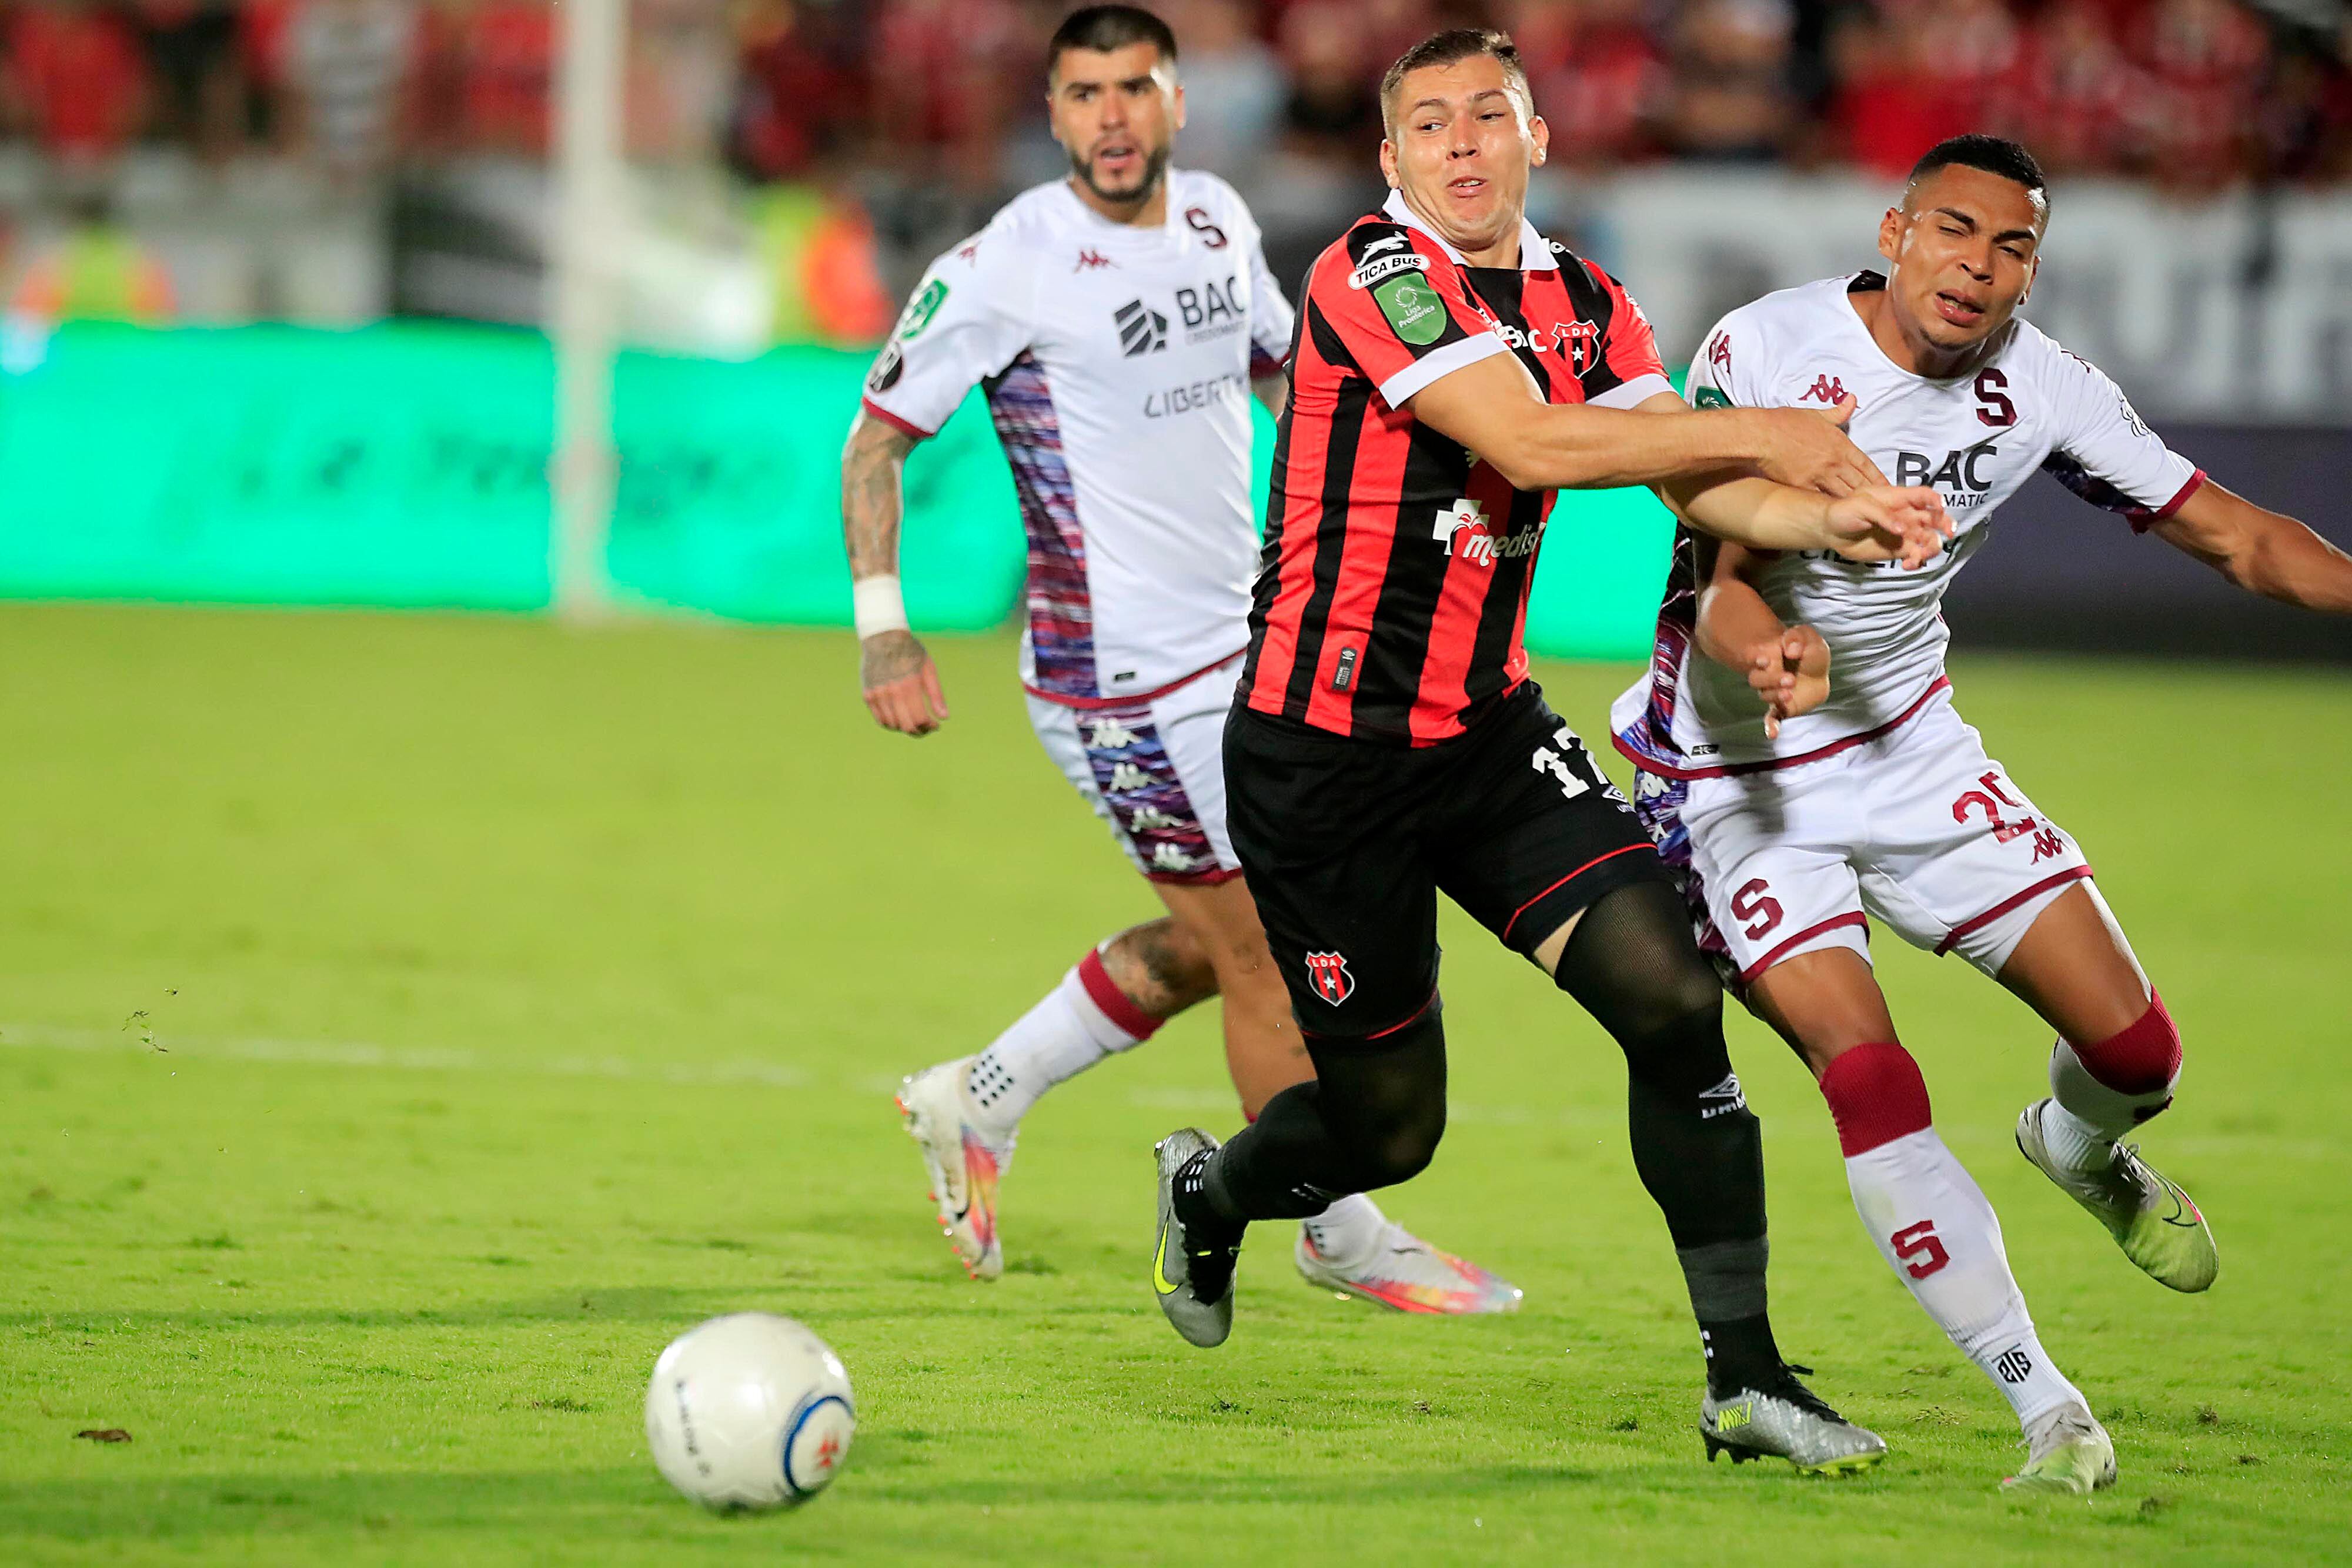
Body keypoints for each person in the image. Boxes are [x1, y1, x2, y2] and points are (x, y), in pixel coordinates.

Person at [1148, 26, 1953, 1474]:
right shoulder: (1369, 272)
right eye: (1430, 125)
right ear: (1391, 160)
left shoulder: (1586, 295)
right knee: (1388, 1133)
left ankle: (1746, 1378)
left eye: (1488, 117)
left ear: (1535, 138)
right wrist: (1781, 436)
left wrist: (1830, 516)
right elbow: (1528, 447)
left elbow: (1693, 478)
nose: (1461, 144)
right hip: (1320, 759)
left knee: (1669, 994)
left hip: (1485, 734)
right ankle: (1212, 1195)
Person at [1608, 133, 2352, 1492]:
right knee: (1870, 1074)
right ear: (1893, 231)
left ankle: (2073, 1140)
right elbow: (1711, 573)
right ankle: (2046, 1405)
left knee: (2137, 1052)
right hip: (1738, 773)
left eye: (2012, 246)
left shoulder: (2045, 391)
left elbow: (2234, 533)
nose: (1979, 264)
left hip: (1913, 751)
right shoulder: (1767, 349)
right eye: (1954, 228)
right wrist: (1760, 656)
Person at [844, 6, 1518, 1315]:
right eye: (1081, 92)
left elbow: (1290, 372)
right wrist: (885, 626)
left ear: (1177, 102)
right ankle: (1333, 1227)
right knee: (1266, 945)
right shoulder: (1003, 264)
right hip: (1122, 683)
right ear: (1051, 114)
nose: (1108, 115)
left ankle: (977, 1093)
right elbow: (875, 440)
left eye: (1132, 88)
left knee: (1236, 938)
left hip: (1257, 648)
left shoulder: (1214, 218)